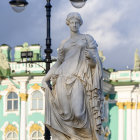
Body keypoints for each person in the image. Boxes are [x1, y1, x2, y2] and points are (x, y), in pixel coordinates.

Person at [42, 12, 104, 140]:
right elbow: (58, 63)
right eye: (72, 22)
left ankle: (88, 137)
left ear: (80, 24)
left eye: (77, 22)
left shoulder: (87, 39)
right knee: (64, 113)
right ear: (68, 24)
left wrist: (92, 58)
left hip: (78, 78)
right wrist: (45, 79)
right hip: (61, 77)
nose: (74, 25)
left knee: (78, 113)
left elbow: (94, 63)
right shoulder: (64, 43)